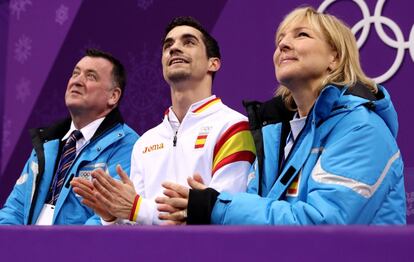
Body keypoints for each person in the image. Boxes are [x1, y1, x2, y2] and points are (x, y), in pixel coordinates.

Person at [157, 7, 406, 225]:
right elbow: (255, 225)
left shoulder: (362, 129)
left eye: (301, 35)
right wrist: (201, 210)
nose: (283, 45)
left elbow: (324, 225)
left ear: (335, 57)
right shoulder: (275, 135)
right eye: (280, 39)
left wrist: (215, 206)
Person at [71, 16, 255, 225]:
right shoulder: (145, 142)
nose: (174, 48)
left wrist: (137, 208)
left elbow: (224, 216)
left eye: (188, 42)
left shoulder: (234, 127)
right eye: (169, 45)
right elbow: (136, 225)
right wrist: (112, 215)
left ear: (213, 63)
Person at [0, 49, 139, 225]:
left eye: (91, 76)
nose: (77, 81)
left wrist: (67, 249)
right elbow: (15, 208)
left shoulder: (127, 146)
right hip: (28, 248)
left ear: (113, 96)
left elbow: (109, 217)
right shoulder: (46, 143)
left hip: (76, 250)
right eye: (75, 73)